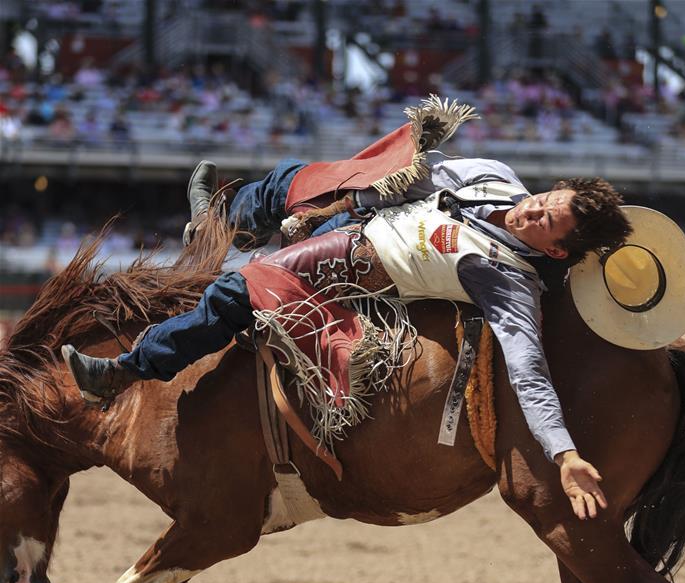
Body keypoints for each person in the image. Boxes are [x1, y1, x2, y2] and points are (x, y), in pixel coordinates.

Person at [62, 103, 632, 521]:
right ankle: (214, 223)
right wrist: (345, 198)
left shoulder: (509, 279)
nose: (533, 213)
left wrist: (564, 454)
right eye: (545, 202)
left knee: (236, 295)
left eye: (548, 222)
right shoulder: (495, 176)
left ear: (556, 250)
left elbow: (528, 372)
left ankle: (125, 372)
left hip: (358, 266)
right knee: (290, 179)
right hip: (364, 217)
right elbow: (414, 175)